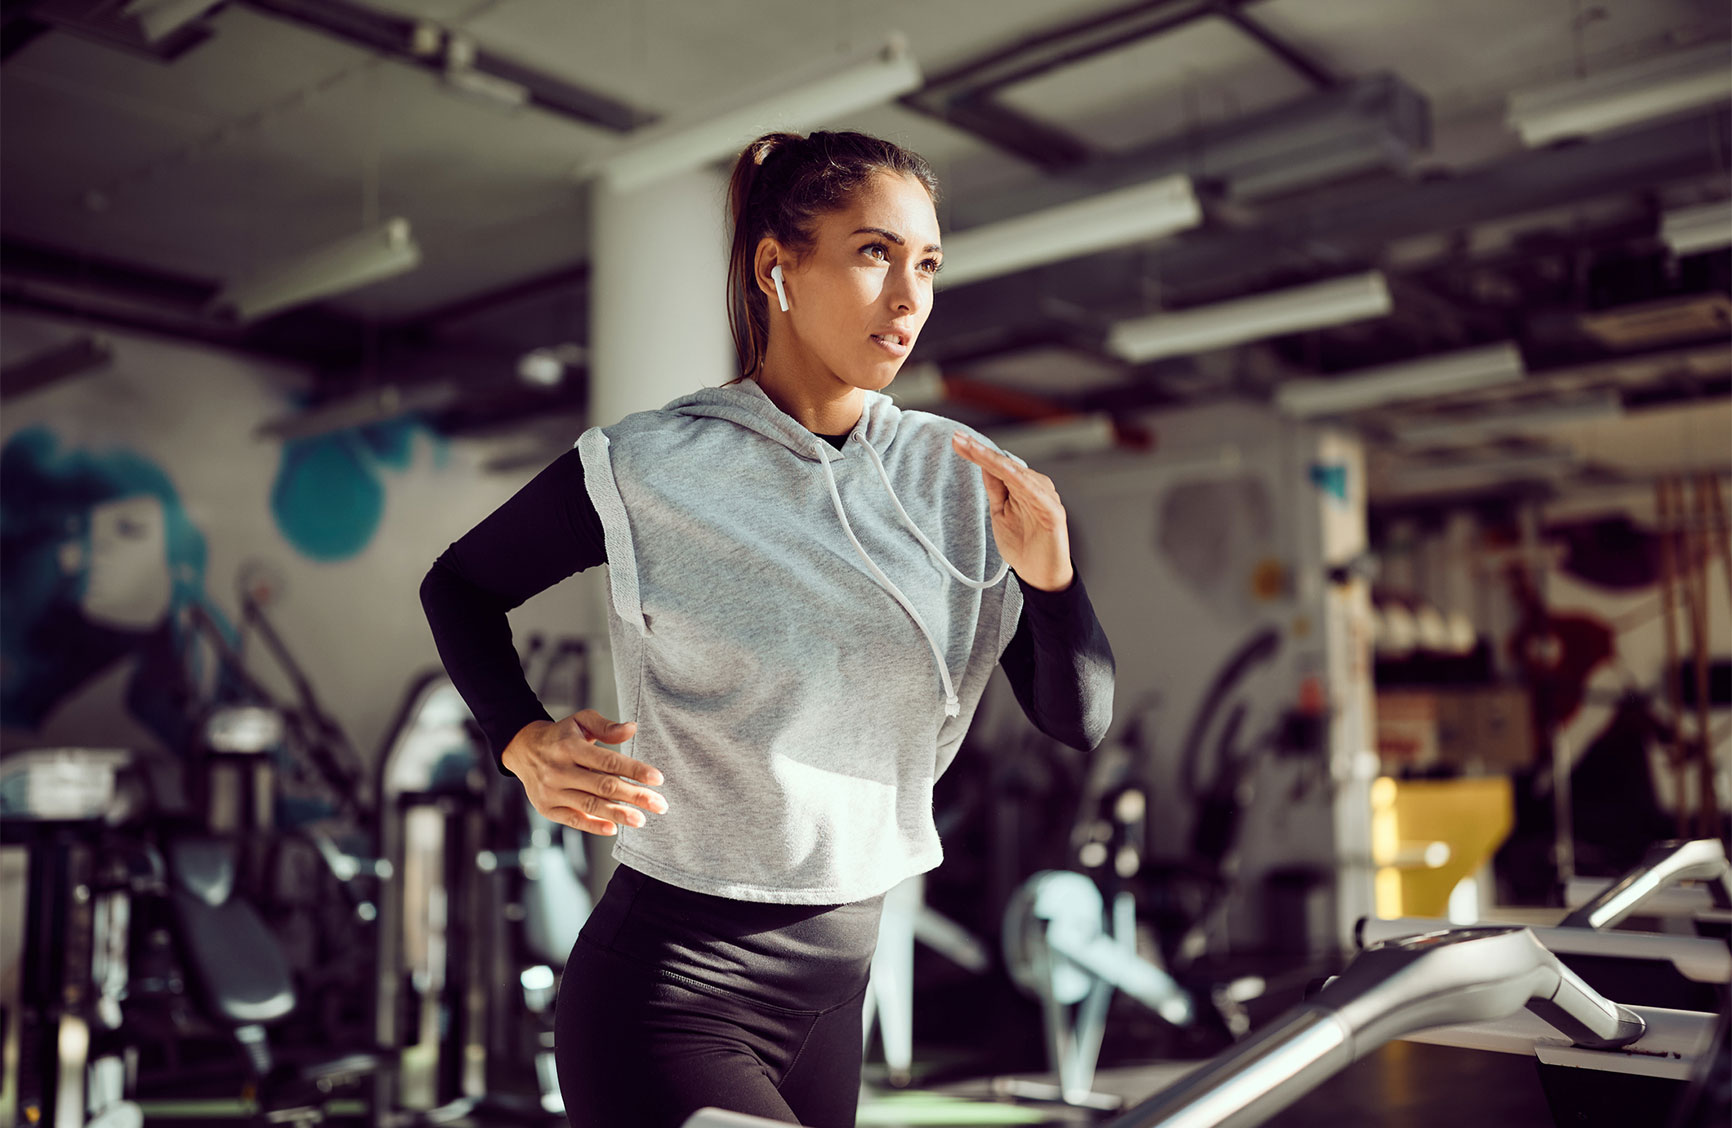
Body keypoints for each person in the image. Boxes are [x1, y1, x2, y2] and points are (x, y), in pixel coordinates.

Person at [419, 129, 1115, 1128]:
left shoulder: (956, 480)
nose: (908, 297)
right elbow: (461, 586)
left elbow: (1076, 717)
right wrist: (518, 740)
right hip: (665, 994)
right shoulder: (651, 465)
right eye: (874, 253)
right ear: (775, 266)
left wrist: (1052, 579)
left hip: (835, 1001)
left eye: (925, 264)